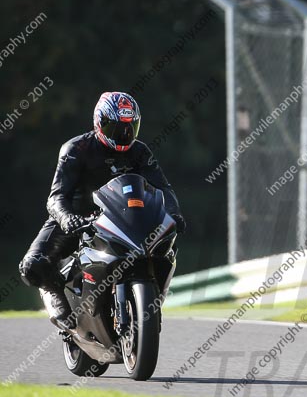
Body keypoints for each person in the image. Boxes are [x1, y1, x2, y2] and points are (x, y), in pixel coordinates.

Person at [18, 92, 185, 328]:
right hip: (77, 217)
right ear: (100, 123)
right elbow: (56, 197)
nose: (125, 135)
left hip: (123, 217)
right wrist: (68, 219)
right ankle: (56, 294)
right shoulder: (76, 148)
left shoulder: (140, 151)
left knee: (168, 242)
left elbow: (162, 187)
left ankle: (152, 299)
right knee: (31, 265)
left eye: (130, 128)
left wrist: (174, 213)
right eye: (117, 128)